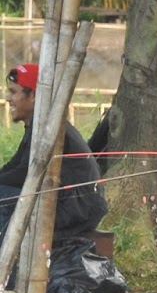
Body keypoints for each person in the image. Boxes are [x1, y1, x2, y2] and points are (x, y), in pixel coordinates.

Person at [0, 62, 109, 244]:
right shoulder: (38, 126)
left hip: (76, 210)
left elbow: (25, 174)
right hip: (70, 205)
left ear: (33, 95)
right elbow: (15, 166)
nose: (8, 98)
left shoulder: (48, 129)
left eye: (13, 92)